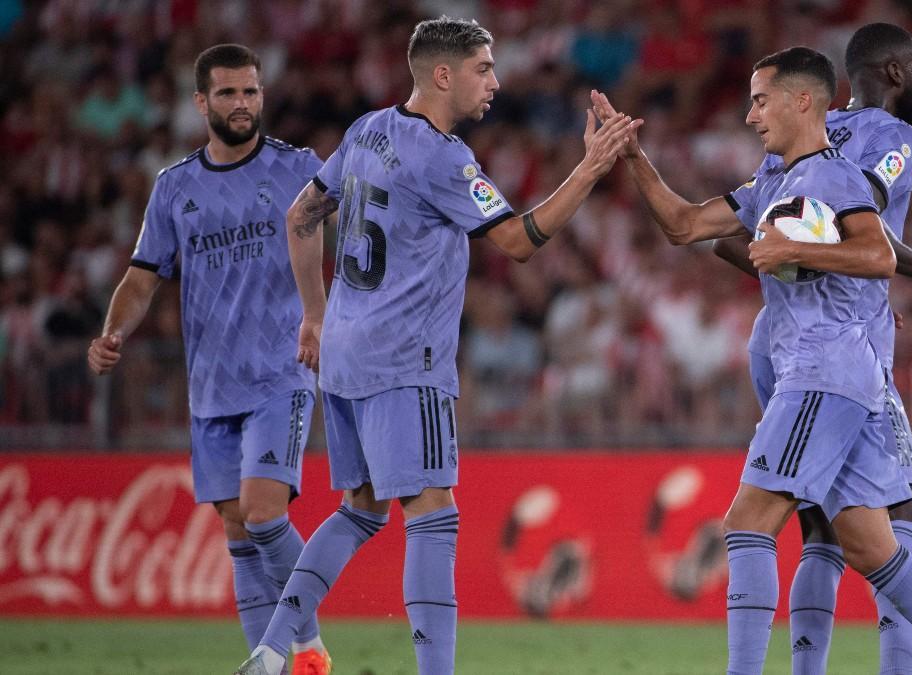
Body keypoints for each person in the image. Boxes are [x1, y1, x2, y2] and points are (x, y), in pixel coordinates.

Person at [593, 45, 912, 675]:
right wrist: (633, 157)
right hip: (825, 368)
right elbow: (685, 226)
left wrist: (796, 252)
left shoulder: (837, 175)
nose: (749, 116)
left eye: (760, 100)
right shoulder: (773, 179)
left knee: (747, 524)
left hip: (825, 370)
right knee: (872, 547)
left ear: (804, 101)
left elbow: (877, 255)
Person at [235, 17, 638, 675]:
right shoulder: (443, 157)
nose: (496, 82)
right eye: (484, 68)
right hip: (405, 360)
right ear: (443, 74)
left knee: (360, 510)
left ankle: (275, 647)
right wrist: (590, 168)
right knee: (434, 513)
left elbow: (300, 215)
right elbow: (517, 241)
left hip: (342, 352)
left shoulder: (367, 129)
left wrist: (314, 315)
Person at [712, 23, 912, 674]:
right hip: (841, 352)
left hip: (783, 337)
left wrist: (799, 275)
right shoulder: (889, 134)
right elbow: (856, 219)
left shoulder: (803, 134)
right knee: (895, 511)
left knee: (825, 522)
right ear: (896, 72)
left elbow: (732, 237)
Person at [87, 44, 332, 674]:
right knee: (237, 532)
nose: (242, 104)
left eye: (250, 92)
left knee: (262, 512)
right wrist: (113, 331)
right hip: (212, 387)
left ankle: (302, 648)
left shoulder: (298, 168)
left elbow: (358, 222)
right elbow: (143, 277)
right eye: (227, 93)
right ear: (202, 102)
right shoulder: (175, 189)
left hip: (282, 371)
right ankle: (273, 659)